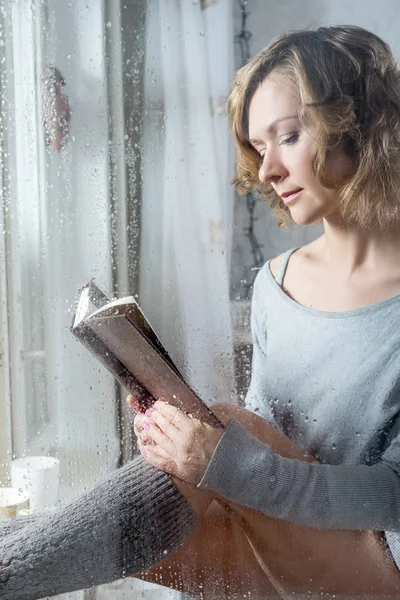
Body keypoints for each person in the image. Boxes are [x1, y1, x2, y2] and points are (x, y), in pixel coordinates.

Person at [2, 23, 400, 600]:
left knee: (228, 431)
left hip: (373, 569)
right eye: (259, 149)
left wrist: (223, 456)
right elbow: (270, 429)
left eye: (287, 137)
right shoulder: (275, 283)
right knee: (105, 543)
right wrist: (176, 423)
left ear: (356, 124)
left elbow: (392, 493)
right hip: (280, 535)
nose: (266, 171)